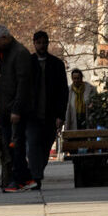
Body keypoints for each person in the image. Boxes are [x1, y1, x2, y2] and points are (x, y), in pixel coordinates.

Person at [0, 26, 36, 191]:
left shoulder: (19, 53)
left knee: (16, 145)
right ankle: (25, 178)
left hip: (15, 109)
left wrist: (16, 109)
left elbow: (23, 84)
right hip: (7, 108)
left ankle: (19, 179)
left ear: (5, 37)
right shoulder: (6, 53)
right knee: (12, 145)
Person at [23, 31, 69, 188]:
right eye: (39, 43)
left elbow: (63, 92)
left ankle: (37, 172)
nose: (42, 46)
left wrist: (61, 115)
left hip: (51, 115)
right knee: (33, 145)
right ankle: (36, 177)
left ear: (48, 43)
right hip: (32, 115)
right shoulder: (28, 63)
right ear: (34, 43)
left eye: (44, 42)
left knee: (45, 146)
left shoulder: (57, 64)